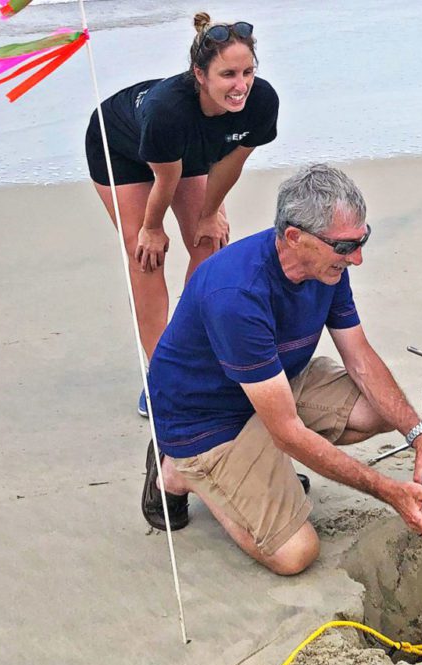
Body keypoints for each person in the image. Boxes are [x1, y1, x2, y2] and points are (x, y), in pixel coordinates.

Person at [142, 164, 422, 576]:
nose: (357, 258)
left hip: (272, 384)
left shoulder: (327, 267)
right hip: (205, 419)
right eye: (345, 246)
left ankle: (255, 465)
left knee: (384, 410)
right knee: (295, 554)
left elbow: (359, 357)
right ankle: (178, 472)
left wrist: (418, 438)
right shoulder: (236, 294)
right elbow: (287, 432)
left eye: (362, 240)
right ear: (294, 237)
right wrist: (386, 490)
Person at [84, 12, 277, 417]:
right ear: (200, 74)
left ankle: (193, 346)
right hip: (119, 147)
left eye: (247, 72)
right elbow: (164, 178)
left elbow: (231, 164)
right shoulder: (167, 109)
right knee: (146, 255)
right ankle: (164, 374)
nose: (240, 85)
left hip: (184, 152)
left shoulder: (261, 101)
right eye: (227, 74)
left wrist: (210, 214)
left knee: (211, 241)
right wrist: (152, 229)